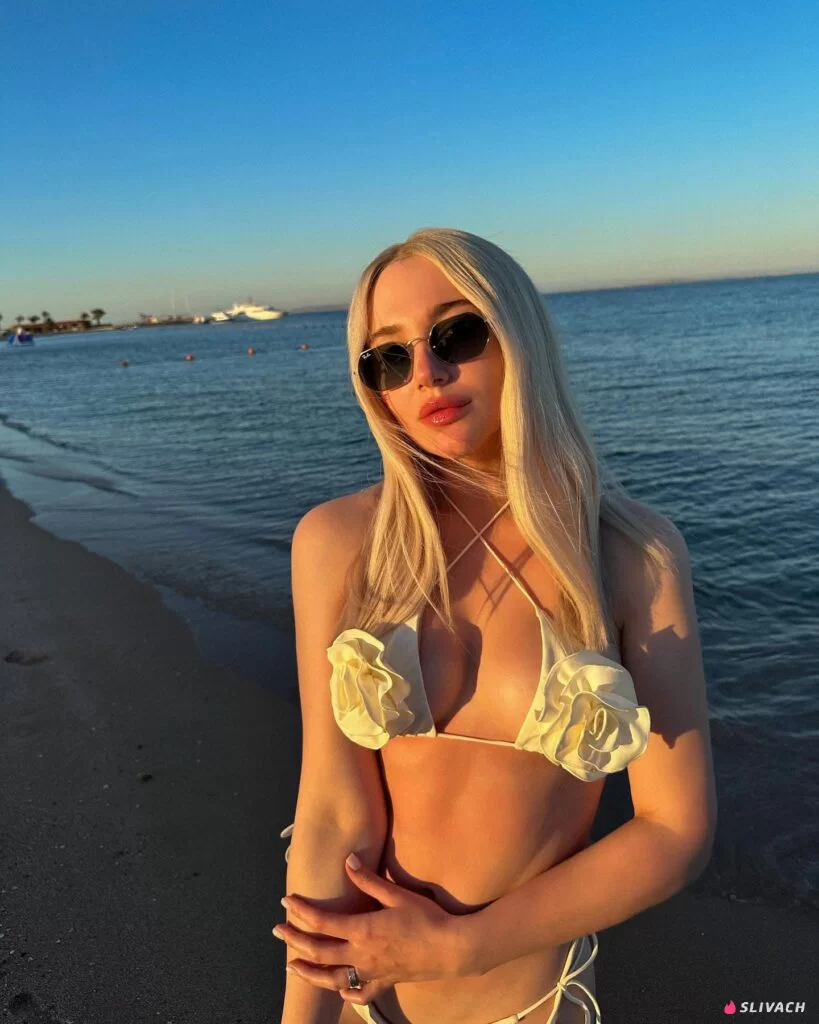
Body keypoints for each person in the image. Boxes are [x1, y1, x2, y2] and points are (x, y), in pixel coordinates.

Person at [277, 228, 717, 1024]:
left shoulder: (627, 555)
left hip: (532, 1005)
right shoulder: (340, 543)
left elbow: (674, 831)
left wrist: (458, 947)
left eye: (455, 334)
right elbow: (333, 810)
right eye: (388, 357)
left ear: (518, 334)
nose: (425, 372)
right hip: (360, 1002)